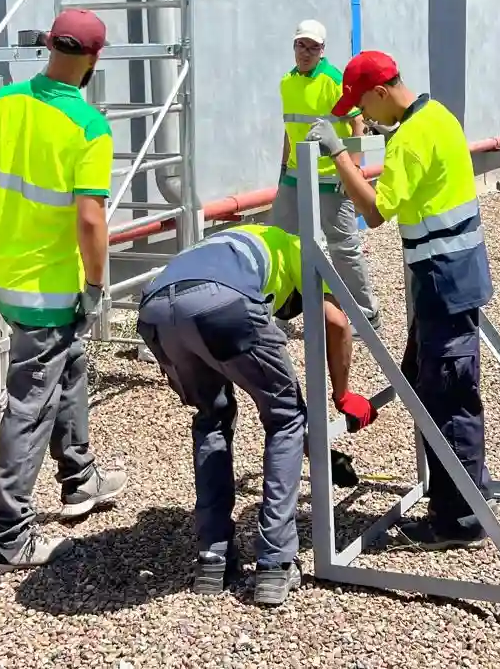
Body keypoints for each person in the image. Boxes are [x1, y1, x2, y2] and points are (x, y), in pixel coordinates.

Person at [0, 8, 128, 575]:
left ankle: (79, 478)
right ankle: (7, 538)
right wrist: (98, 286)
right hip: (51, 288)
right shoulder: (90, 127)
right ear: (95, 60)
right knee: (29, 403)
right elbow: (91, 220)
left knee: (71, 364)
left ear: (48, 45)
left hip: (5, 273)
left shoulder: (2, 103)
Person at [136, 223, 377, 606]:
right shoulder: (301, 246)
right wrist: (342, 393)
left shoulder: (233, 242)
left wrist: (321, 453)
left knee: (211, 418)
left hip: (155, 311)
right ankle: (275, 562)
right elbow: (335, 321)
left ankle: (212, 557)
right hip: (222, 305)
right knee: (285, 417)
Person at [309, 51, 493, 550]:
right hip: (458, 271)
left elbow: (374, 212)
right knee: (427, 382)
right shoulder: (437, 116)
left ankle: (460, 519)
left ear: (381, 91)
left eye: (364, 105)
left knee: (445, 395)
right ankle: (468, 493)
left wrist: (338, 154)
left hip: (441, 279)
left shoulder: (407, 140)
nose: (364, 116)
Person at [267, 19, 380, 323]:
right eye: (301, 45)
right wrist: (282, 171)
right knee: (277, 239)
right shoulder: (287, 82)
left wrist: (352, 170)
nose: (306, 52)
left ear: (322, 50)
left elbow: (358, 123)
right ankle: (280, 309)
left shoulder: (333, 79)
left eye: (313, 47)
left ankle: (367, 315)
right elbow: (291, 130)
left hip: (332, 177)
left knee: (343, 248)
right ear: (294, 46)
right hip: (295, 175)